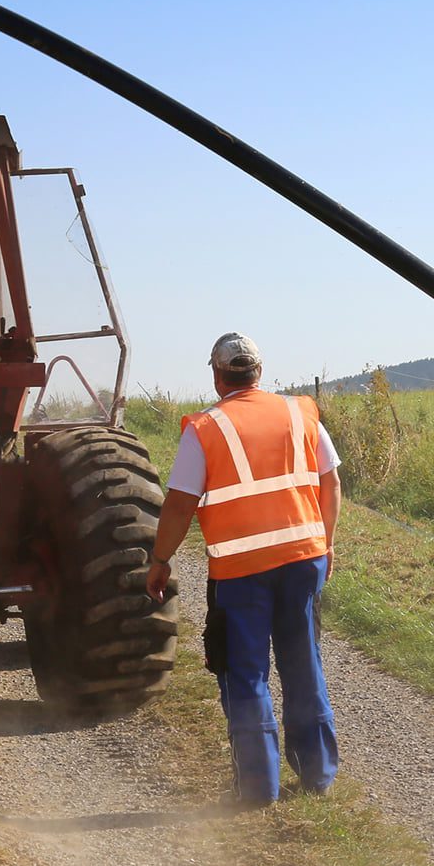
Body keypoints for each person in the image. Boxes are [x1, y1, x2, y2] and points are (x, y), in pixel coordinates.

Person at [145, 333, 343, 804]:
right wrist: (327, 543)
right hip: (303, 561)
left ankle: (258, 787)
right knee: (303, 662)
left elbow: (178, 505)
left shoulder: (205, 428)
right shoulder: (300, 412)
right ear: (259, 370)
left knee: (246, 672)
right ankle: (317, 775)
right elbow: (330, 480)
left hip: (241, 571)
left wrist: (160, 560)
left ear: (217, 375)